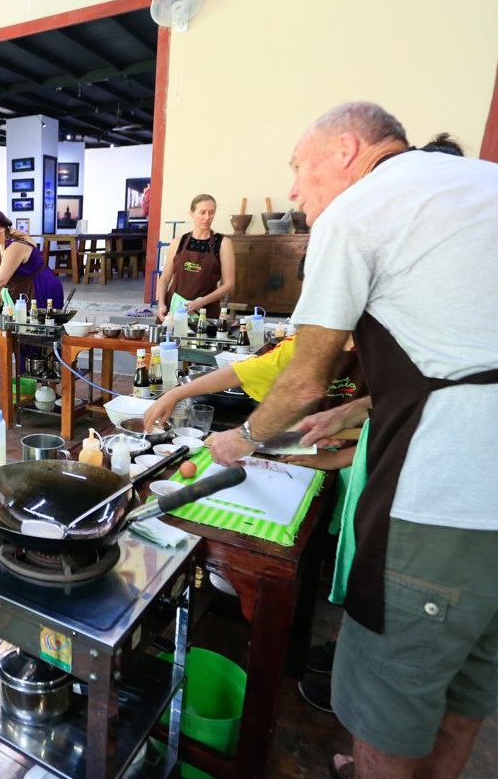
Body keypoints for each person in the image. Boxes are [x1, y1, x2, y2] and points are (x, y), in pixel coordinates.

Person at [204, 102, 498, 779]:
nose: (296, 193)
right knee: (464, 693)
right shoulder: (478, 184)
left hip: (445, 504)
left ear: (347, 149)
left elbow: (306, 378)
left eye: (299, 171)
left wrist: (243, 438)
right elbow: (470, 356)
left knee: (390, 711)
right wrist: (361, 406)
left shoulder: (359, 210)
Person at [144, 334, 364, 448]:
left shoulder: (380, 349)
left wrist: (337, 460)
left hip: (370, 460)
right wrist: (176, 393)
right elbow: (240, 372)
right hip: (317, 448)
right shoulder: (301, 344)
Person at [154, 194, 235, 322]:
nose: (207, 217)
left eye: (211, 213)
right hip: (174, 310)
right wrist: (161, 304)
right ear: (192, 213)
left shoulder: (223, 243)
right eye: (202, 213)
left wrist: (200, 303)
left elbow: (229, 285)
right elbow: (164, 278)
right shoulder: (178, 242)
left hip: (205, 312)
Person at [0, 210, 64, 315]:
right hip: (24, 288)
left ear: (1, 228)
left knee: (41, 326)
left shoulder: (15, 247)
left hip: (42, 287)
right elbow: (5, 274)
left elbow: (1, 280)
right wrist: (0, 294)